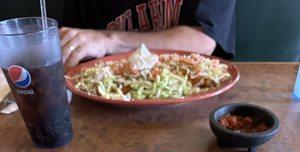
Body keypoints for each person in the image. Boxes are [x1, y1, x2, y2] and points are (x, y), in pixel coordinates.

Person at [61, 0, 236, 70]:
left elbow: (200, 41)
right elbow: (72, 49)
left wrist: (108, 41)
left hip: (196, 93)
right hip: (112, 104)